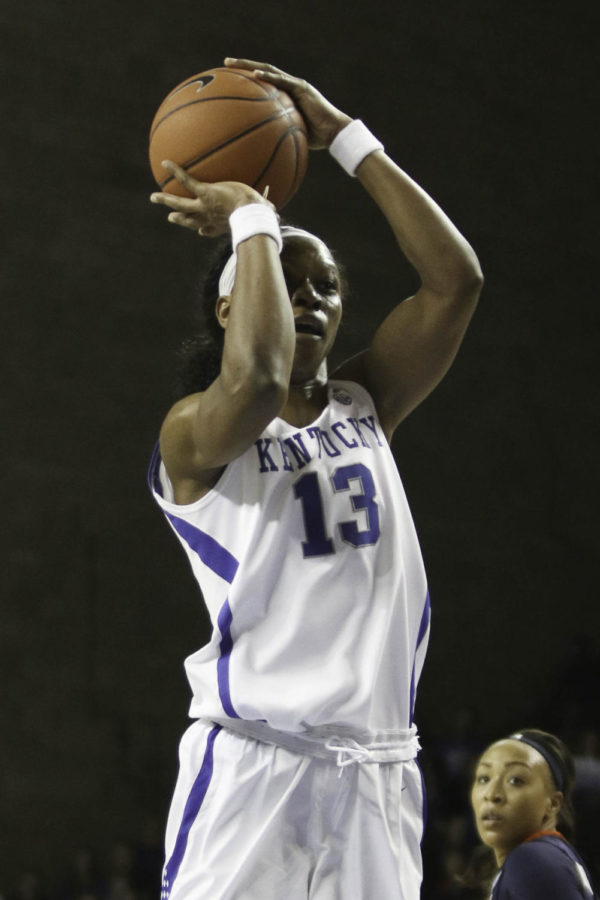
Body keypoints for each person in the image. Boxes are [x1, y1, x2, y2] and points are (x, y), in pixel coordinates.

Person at [148, 56, 483, 900]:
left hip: (378, 775)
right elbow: (256, 380)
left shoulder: (367, 401)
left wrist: (345, 140)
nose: (315, 299)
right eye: (290, 283)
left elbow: (456, 282)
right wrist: (254, 216)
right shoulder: (194, 433)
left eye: (329, 286)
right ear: (232, 305)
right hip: (258, 765)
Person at [469, 728, 597, 898]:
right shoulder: (547, 856)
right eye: (484, 778)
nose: (492, 794)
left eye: (515, 780)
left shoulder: (533, 860)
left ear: (553, 804)